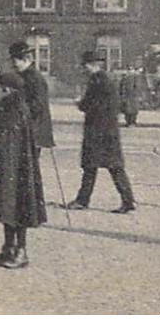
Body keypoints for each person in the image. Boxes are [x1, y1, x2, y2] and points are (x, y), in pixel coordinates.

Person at [0, 41, 49, 269]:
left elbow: (38, 109)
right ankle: (8, 248)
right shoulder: (9, 110)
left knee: (16, 204)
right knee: (6, 206)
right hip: (7, 166)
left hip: (15, 165)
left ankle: (20, 250)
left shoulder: (17, 112)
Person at [65, 49, 135, 213]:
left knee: (90, 167)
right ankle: (128, 200)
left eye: (86, 66)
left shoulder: (95, 81)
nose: (85, 69)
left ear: (90, 65)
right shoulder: (108, 80)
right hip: (109, 131)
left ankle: (82, 200)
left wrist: (79, 103)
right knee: (115, 167)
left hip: (96, 131)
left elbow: (88, 105)